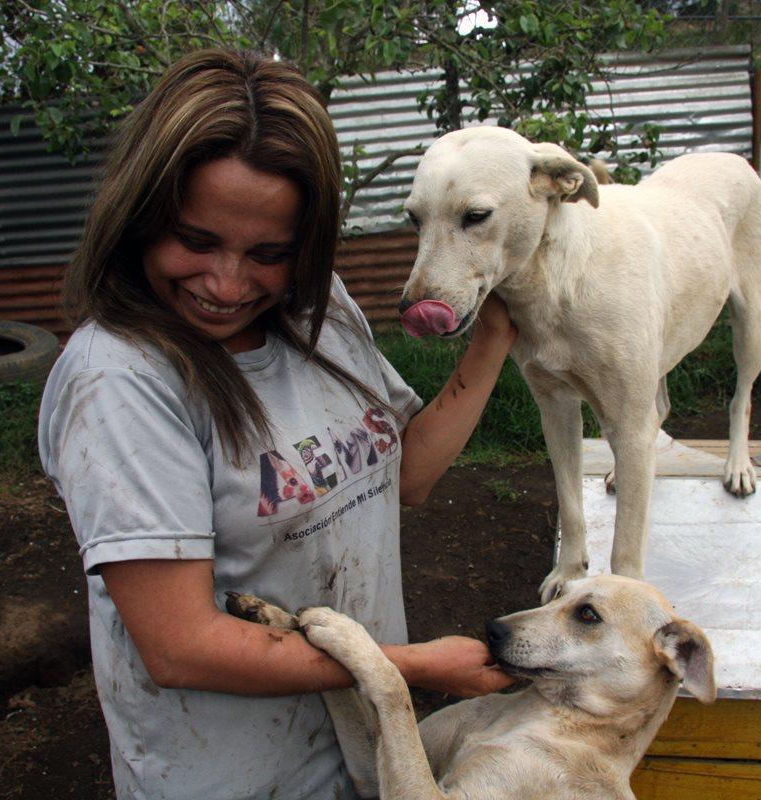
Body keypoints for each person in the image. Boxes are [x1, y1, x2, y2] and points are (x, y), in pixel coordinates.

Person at [37, 48, 518, 799]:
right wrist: (412, 667)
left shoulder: (314, 308)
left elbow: (409, 476)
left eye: (269, 253)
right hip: (235, 778)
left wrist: (494, 338)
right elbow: (181, 646)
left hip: (361, 753)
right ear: (137, 216)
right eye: (196, 241)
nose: (227, 285)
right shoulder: (122, 381)